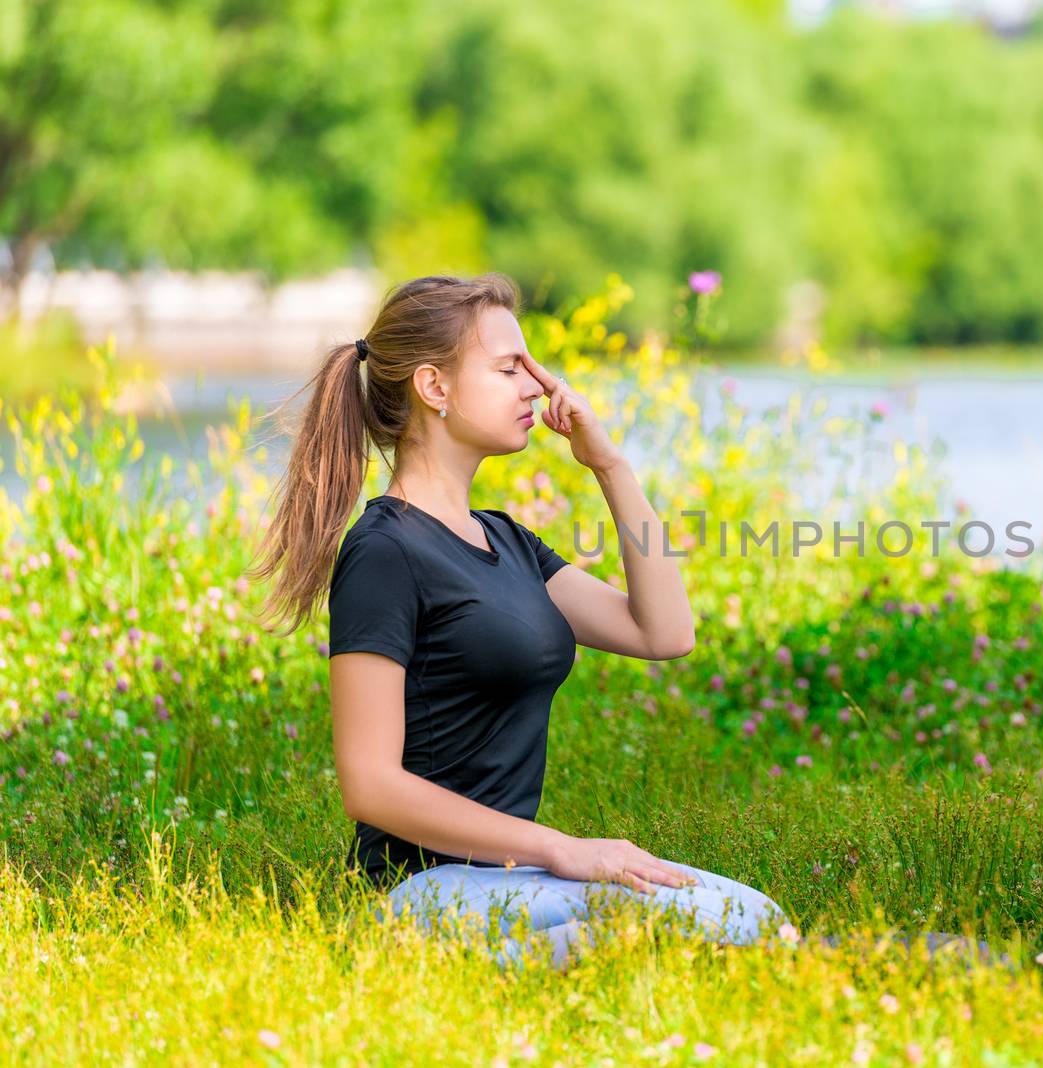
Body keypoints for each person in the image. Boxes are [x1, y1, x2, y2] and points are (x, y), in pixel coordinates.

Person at [249, 273, 785, 968]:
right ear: (434, 388)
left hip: (511, 880)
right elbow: (369, 784)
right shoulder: (385, 551)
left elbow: (665, 633)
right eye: (509, 369)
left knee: (756, 919)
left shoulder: (508, 542)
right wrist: (563, 849)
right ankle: (455, 966)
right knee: (688, 932)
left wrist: (610, 464)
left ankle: (556, 956)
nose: (536, 386)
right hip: (425, 889)